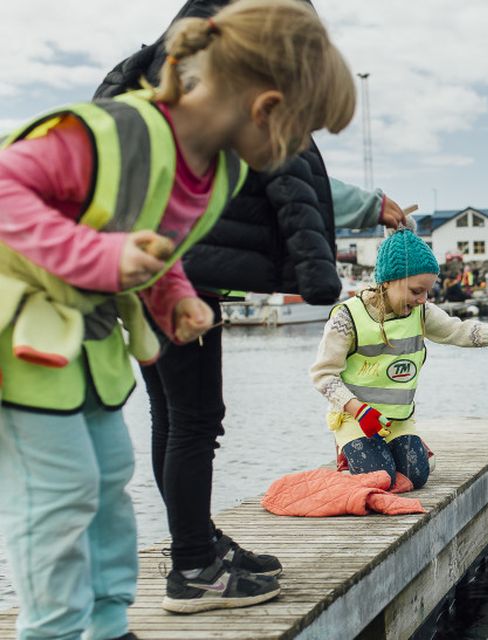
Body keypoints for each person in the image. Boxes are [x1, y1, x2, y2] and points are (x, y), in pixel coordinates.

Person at [0, 0, 356, 634]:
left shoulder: (211, 174)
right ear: (267, 109)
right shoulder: (117, 130)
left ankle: (109, 625)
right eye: (302, 134)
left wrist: (173, 295)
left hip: (88, 340)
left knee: (109, 477)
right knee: (63, 498)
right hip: (21, 340)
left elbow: (148, 235)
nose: (298, 151)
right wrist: (103, 255)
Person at [92, 0, 410, 616]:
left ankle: (197, 544)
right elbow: (281, 169)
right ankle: (194, 568)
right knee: (196, 418)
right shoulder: (224, 79)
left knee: (174, 411)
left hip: (149, 262)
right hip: (174, 269)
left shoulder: (162, 63)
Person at [309, 230, 488, 490]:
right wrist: (358, 409)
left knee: (417, 476)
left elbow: (456, 331)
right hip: (357, 418)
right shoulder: (346, 318)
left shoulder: (420, 311)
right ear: (389, 281)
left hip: (397, 420)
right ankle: (346, 454)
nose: (423, 299)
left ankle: (401, 450)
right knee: (381, 479)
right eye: (417, 291)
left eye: (427, 292)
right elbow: (323, 375)